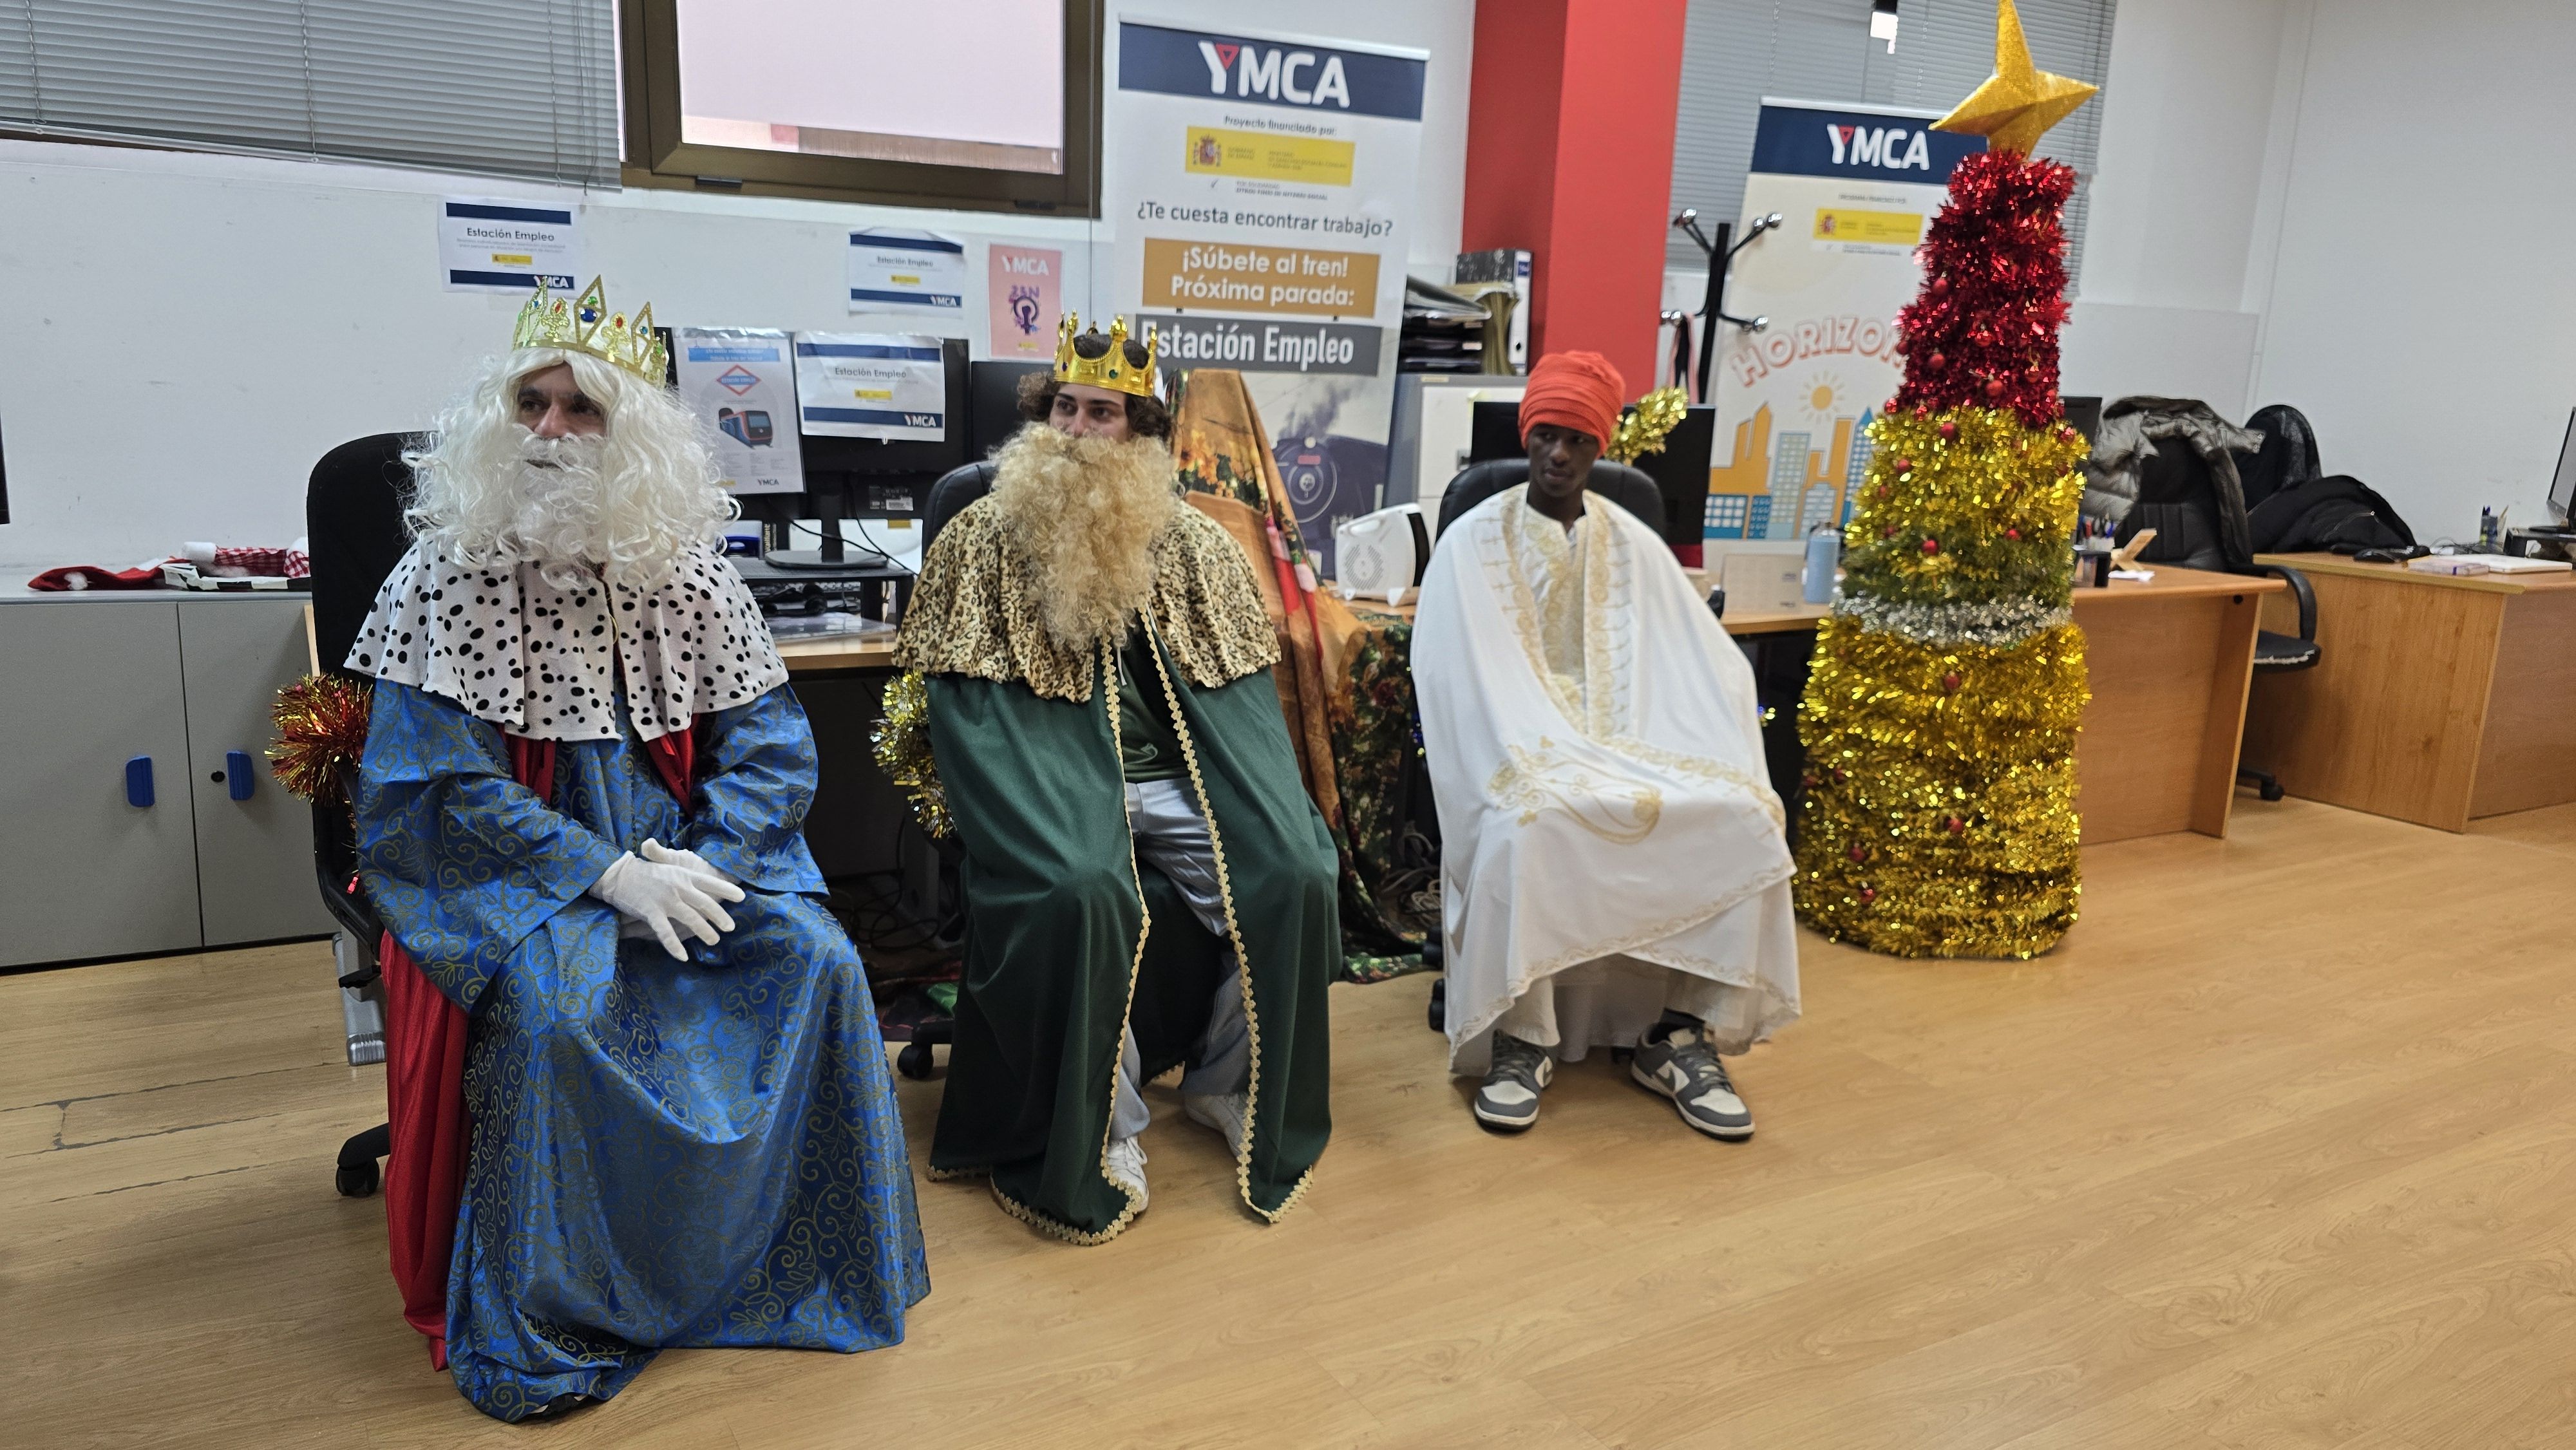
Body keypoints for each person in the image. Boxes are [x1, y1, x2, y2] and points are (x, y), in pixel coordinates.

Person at [344, 278, 928, 1420]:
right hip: (516, 869)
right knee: (566, 1012)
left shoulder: (688, 567)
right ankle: (572, 1304)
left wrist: (711, 856)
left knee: (819, 964)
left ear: (633, 433)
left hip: (686, 852)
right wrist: (602, 872)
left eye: (582, 410)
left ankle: (783, 1267)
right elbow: (437, 784)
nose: (553, 432)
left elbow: (766, 741)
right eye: (534, 405)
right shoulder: (442, 574)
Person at [896, 315, 1338, 1243]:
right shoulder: (979, 540)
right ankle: (1105, 1126)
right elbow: (970, 720)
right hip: (1050, 782)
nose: (1079, 429)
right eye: (1065, 407)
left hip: (1173, 784)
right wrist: (1045, 811)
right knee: (1082, 892)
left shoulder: (1200, 546)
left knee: (1296, 873)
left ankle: (1226, 1086)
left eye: (1104, 413)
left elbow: (1245, 717)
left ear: (1143, 433)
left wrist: (1263, 810)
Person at [1412, 350, 1800, 1138]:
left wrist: (1701, 735)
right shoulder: (1469, 541)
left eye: (1579, 441)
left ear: (1600, 449)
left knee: (1746, 812)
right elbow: (1457, 671)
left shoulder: (1633, 541)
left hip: (1640, 739)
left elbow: (1701, 655)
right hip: (1520, 742)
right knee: (1533, 819)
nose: (1560, 455)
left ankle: (1676, 1033)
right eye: (1547, 436)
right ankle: (1524, 1036)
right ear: (1526, 438)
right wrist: (1532, 750)